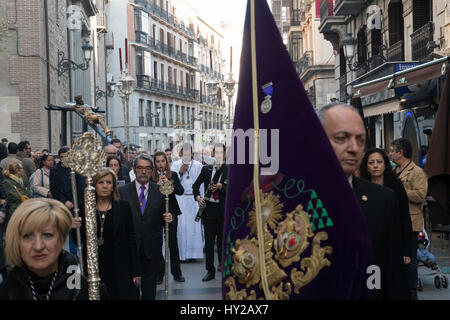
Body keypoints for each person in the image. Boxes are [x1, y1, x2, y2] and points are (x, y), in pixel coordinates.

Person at [318, 102, 407, 300]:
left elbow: (394, 275)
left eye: (360, 140)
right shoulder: (292, 199)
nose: (354, 148)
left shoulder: (384, 199)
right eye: (342, 138)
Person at [0, 198, 107, 300]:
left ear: (62, 239)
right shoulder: (5, 293)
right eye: (28, 236)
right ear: (17, 242)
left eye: (47, 235)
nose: (38, 246)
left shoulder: (90, 292)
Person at [74, 168, 140, 299]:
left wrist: (136, 271)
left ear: (113, 186)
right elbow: (78, 241)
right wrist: (75, 227)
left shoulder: (123, 207)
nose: (105, 186)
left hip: (120, 265)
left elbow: (131, 239)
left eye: (109, 182)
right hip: (95, 266)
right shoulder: (84, 208)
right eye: (101, 182)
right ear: (94, 185)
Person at [118, 155, 173, 300]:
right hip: (129, 247)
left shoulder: (161, 191)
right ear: (134, 170)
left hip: (151, 246)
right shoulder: (122, 191)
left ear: (152, 171)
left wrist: (169, 218)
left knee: (149, 289)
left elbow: (168, 214)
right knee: (131, 288)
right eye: (140, 168)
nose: (144, 171)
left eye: (148, 168)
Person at [359, 148, 412, 289]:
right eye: (371, 162)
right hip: (370, 245)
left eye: (379, 162)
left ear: (385, 164)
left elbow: (404, 218)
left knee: (391, 282)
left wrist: (406, 250)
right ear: (366, 166)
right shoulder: (360, 188)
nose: (375, 165)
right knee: (372, 286)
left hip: (392, 243)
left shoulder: (395, 186)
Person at [390, 137, 428, 300]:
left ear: (401, 152)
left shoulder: (417, 172)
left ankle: (412, 291)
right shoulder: (393, 171)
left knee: (410, 257)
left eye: (392, 151)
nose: (390, 154)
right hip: (394, 221)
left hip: (411, 222)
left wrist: (400, 191)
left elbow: (420, 195)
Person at [193, 143, 228, 282]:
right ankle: (210, 271)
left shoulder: (230, 169)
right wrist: (198, 198)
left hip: (223, 209)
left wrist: (221, 186)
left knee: (223, 241)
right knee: (208, 242)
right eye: (217, 152)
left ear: (225, 154)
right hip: (209, 209)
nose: (219, 155)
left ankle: (223, 267)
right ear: (213, 154)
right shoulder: (206, 169)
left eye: (221, 152)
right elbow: (195, 185)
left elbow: (234, 189)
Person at [151, 151, 185, 284]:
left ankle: (176, 273)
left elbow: (180, 191)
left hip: (171, 211)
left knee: (172, 242)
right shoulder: (152, 177)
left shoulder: (173, 175)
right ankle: (159, 274)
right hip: (155, 211)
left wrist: (168, 184)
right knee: (157, 242)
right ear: (155, 163)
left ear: (166, 162)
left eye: (162, 161)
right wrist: (156, 186)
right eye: (158, 161)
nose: (160, 164)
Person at [171, 144, 204, 263]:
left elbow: (201, 184)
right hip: (181, 199)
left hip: (194, 199)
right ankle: (182, 254)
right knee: (182, 226)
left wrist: (201, 199)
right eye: (184, 153)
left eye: (188, 153)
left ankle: (193, 254)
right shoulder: (175, 165)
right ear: (180, 154)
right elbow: (172, 184)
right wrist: (180, 171)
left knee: (194, 226)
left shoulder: (198, 165)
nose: (186, 155)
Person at [50, 146, 85, 256]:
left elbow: (81, 186)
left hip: (76, 204)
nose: (64, 159)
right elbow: (53, 189)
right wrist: (64, 201)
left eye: (66, 157)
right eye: (61, 157)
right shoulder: (54, 170)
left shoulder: (77, 168)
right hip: (62, 204)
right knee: (61, 231)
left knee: (75, 233)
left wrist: (75, 202)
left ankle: (74, 257)